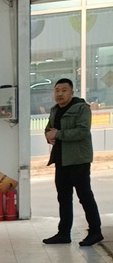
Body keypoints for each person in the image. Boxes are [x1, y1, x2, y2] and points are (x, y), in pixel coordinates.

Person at [42, 78, 103, 246]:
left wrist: (58, 134)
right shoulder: (55, 110)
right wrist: (48, 135)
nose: (59, 94)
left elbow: (83, 132)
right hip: (61, 159)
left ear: (71, 92)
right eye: (57, 90)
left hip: (78, 160)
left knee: (84, 196)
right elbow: (49, 129)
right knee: (63, 197)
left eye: (64, 90)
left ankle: (95, 232)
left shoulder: (82, 108)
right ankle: (63, 233)